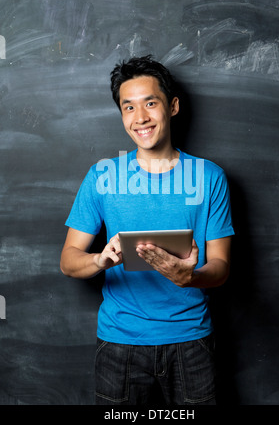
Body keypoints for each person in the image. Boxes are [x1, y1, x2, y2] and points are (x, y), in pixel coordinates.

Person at [60, 55, 235, 405]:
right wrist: (100, 260)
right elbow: (68, 260)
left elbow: (221, 267)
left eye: (150, 104)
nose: (140, 118)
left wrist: (190, 277)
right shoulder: (103, 176)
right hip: (119, 343)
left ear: (172, 106)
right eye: (128, 108)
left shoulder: (209, 176)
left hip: (191, 342)